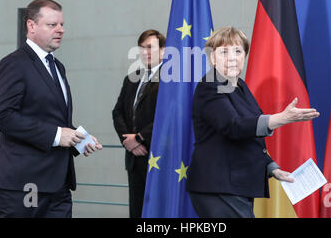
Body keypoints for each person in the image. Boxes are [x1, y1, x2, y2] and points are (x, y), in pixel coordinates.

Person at [0, 0, 102, 218]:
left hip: (58, 185)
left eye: (61, 24)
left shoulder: (58, 66)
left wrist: (79, 139)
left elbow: (52, 117)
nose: (61, 30)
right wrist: (58, 135)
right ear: (31, 26)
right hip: (23, 185)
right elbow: (1, 116)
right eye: (52, 25)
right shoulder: (14, 63)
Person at [186, 27, 320, 218]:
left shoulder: (240, 85)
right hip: (218, 186)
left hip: (236, 185)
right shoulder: (210, 84)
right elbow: (234, 126)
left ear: (245, 56)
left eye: (238, 51)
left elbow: (247, 137)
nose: (232, 58)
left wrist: (272, 168)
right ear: (213, 58)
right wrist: (281, 118)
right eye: (224, 52)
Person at [112, 29, 166, 218]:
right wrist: (129, 141)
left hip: (158, 158)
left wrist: (141, 138)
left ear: (163, 51)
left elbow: (168, 116)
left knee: (159, 213)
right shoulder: (132, 79)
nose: (145, 52)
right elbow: (117, 112)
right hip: (134, 159)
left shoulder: (171, 80)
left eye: (150, 47)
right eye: (142, 48)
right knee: (137, 212)